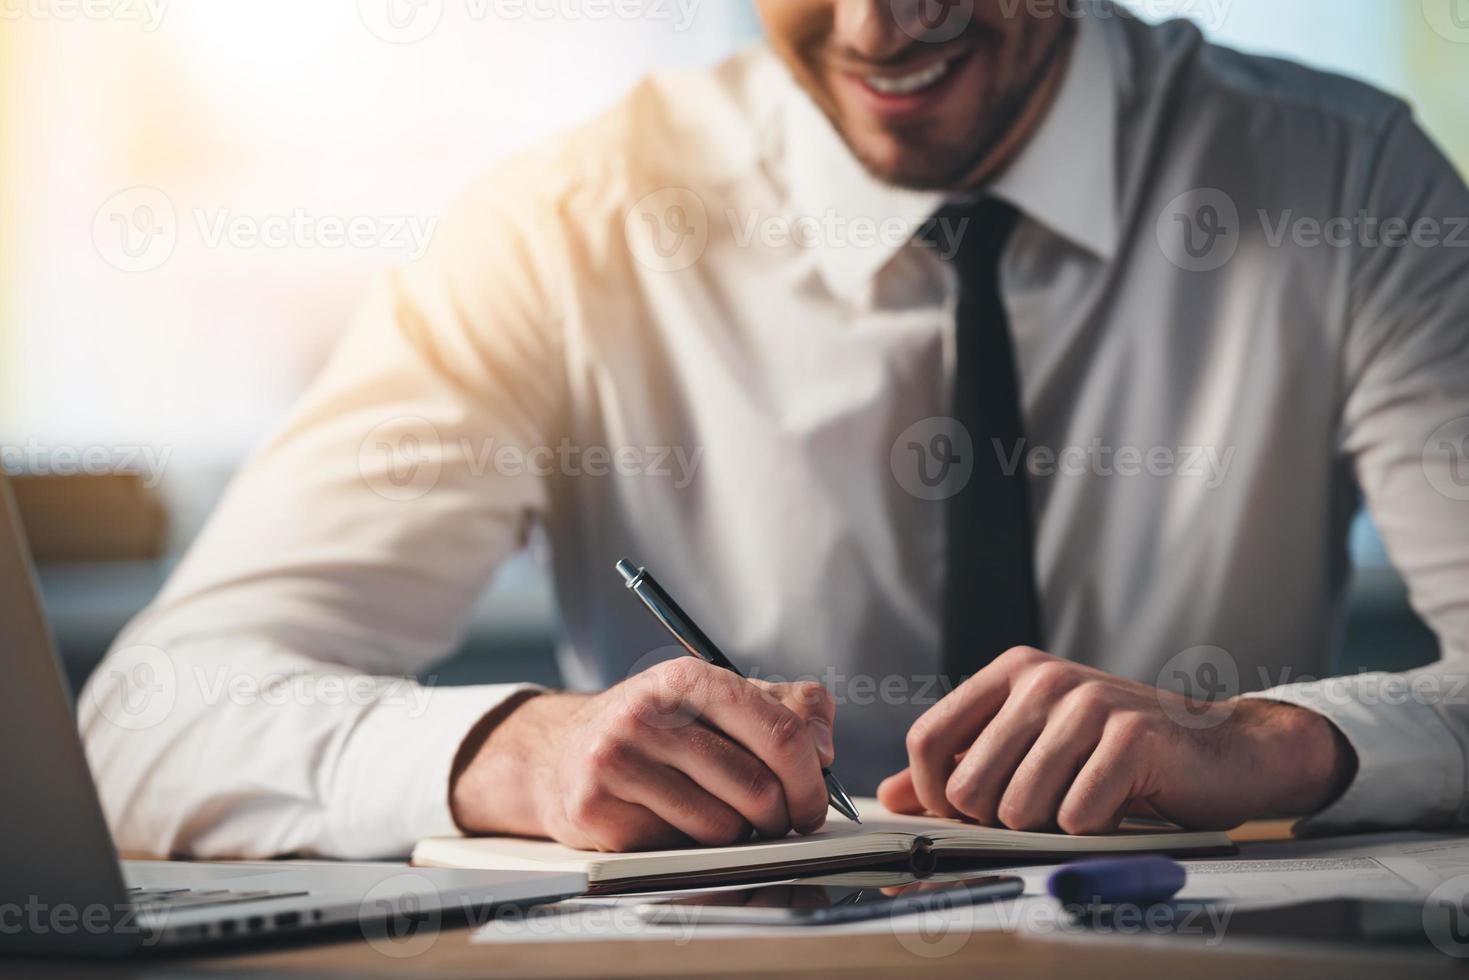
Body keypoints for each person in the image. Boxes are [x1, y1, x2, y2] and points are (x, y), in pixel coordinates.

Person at [81, 0, 1469, 858]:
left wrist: (1274, 744)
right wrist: (519, 751)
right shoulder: (566, 234)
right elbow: (146, 720)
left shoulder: (1347, 184)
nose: (876, 28)